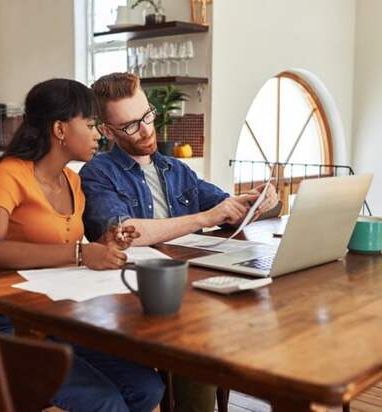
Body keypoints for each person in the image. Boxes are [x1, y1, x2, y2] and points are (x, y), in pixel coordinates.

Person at [80, 73, 279, 412]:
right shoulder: (98, 173)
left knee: (240, 315)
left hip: (188, 287)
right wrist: (204, 218)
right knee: (201, 340)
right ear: (107, 131)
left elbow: (227, 209)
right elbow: (122, 232)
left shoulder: (176, 169)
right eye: (130, 126)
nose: (145, 130)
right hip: (135, 296)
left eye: (147, 116)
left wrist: (260, 201)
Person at [0, 78, 164, 412]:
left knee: (147, 388)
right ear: (60, 129)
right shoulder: (10, 173)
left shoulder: (74, 181)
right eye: (90, 125)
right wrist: (79, 254)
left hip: (57, 319)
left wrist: (107, 242)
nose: (98, 134)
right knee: (106, 403)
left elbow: (70, 241)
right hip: (7, 323)